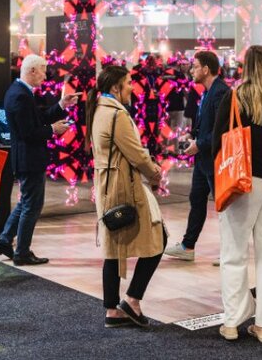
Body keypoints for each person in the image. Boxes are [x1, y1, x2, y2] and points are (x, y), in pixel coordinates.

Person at [211, 45, 262, 343]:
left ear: (245, 65)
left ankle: (232, 322)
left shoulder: (237, 96)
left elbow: (219, 140)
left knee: (234, 252)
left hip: (246, 181)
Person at [86, 65, 165, 328]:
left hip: (108, 185)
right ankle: (132, 300)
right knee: (159, 238)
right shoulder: (117, 114)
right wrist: (155, 172)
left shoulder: (99, 109)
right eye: (129, 82)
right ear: (115, 87)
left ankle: (112, 309)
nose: (133, 87)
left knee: (112, 246)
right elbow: (136, 153)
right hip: (124, 187)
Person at [0, 54, 78, 265]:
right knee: (32, 205)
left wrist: (60, 105)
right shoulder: (20, 95)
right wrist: (53, 130)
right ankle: (22, 252)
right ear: (32, 71)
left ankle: (4, 240)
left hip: (27, 159)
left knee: (26, 203)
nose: (45, 75)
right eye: (42, 70)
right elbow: (28, 131)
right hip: (28, 159)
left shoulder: (21, 92)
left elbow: (37, 119)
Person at [164, 50, 230, 261]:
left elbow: (223, 129)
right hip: (204, 159)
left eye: (194, 66)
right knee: (197, 199)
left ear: (206, 69)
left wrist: (199, 144)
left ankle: (229, 250)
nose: (191, 70)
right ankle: (187, 246)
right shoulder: (208, 91)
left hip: (215, 159)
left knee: (224, 206)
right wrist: (194, 138)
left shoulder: (220, 92)